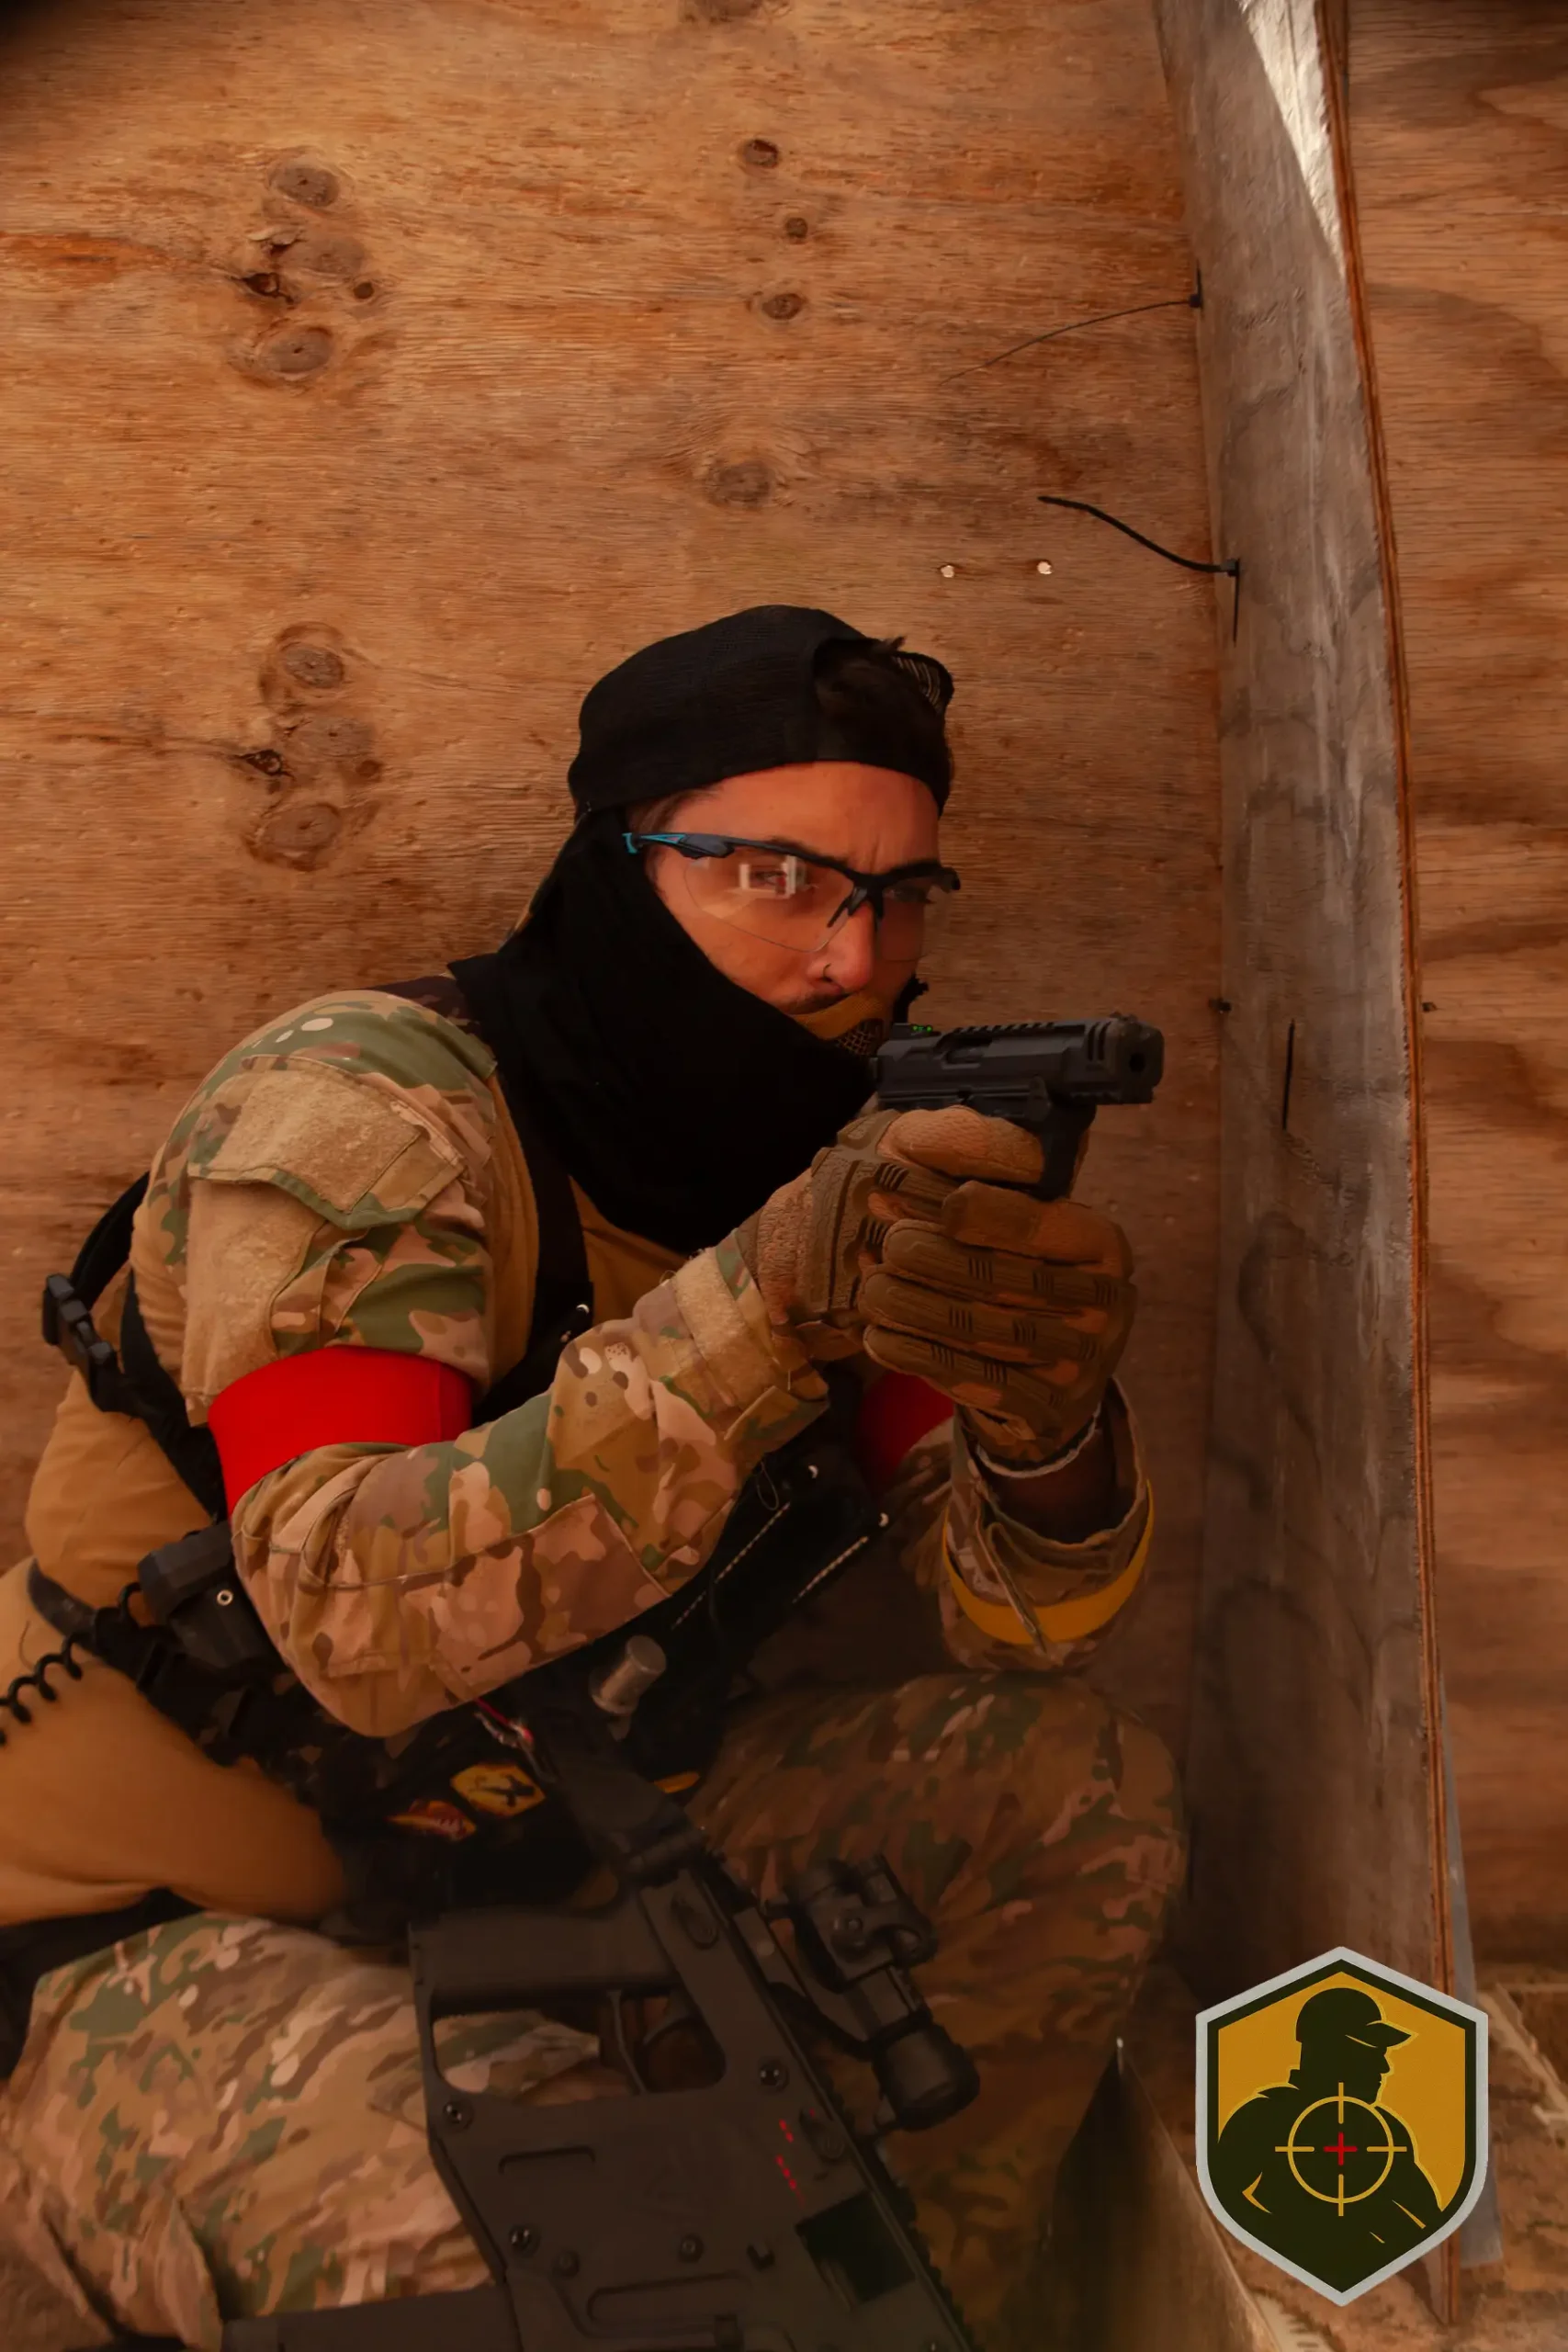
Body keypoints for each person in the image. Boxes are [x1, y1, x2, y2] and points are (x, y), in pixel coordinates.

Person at [0, 605, 1183, 2352]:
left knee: (1067, 1793)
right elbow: (352, 1622)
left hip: (571, 1876)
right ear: (621, 866)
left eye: (898, 895)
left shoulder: (838, 1175)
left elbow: (1025, 1629)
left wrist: (1046, 1424)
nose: (852, 956)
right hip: (145, 1945)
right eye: (775, 877)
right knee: (577, 2243)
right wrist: (764, 1311)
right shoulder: (365, 1112)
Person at [1212, 1985, 1443, 2290]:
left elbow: (1430, 2221)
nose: (1384, 2067)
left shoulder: (1386, 2131)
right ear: (1331, 2049)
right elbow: (1221, 2199)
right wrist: (1296, 2243)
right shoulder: (1267, 2116)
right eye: (1371, 2050)